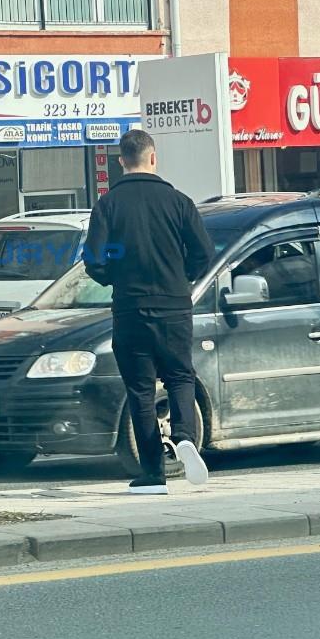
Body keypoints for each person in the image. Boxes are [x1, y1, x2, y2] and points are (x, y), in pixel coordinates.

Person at [84, 129, 215, 495]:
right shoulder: (179, 202)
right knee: (179, 376)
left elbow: (93, 260)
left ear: (121, 161)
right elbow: (204, 254)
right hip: (174, 306)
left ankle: (152, 475)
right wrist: (182, 277)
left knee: (140, 389)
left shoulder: (107, 205)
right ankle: (185, 436)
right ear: (153, 158)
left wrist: (114, 277)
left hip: (130, 308)